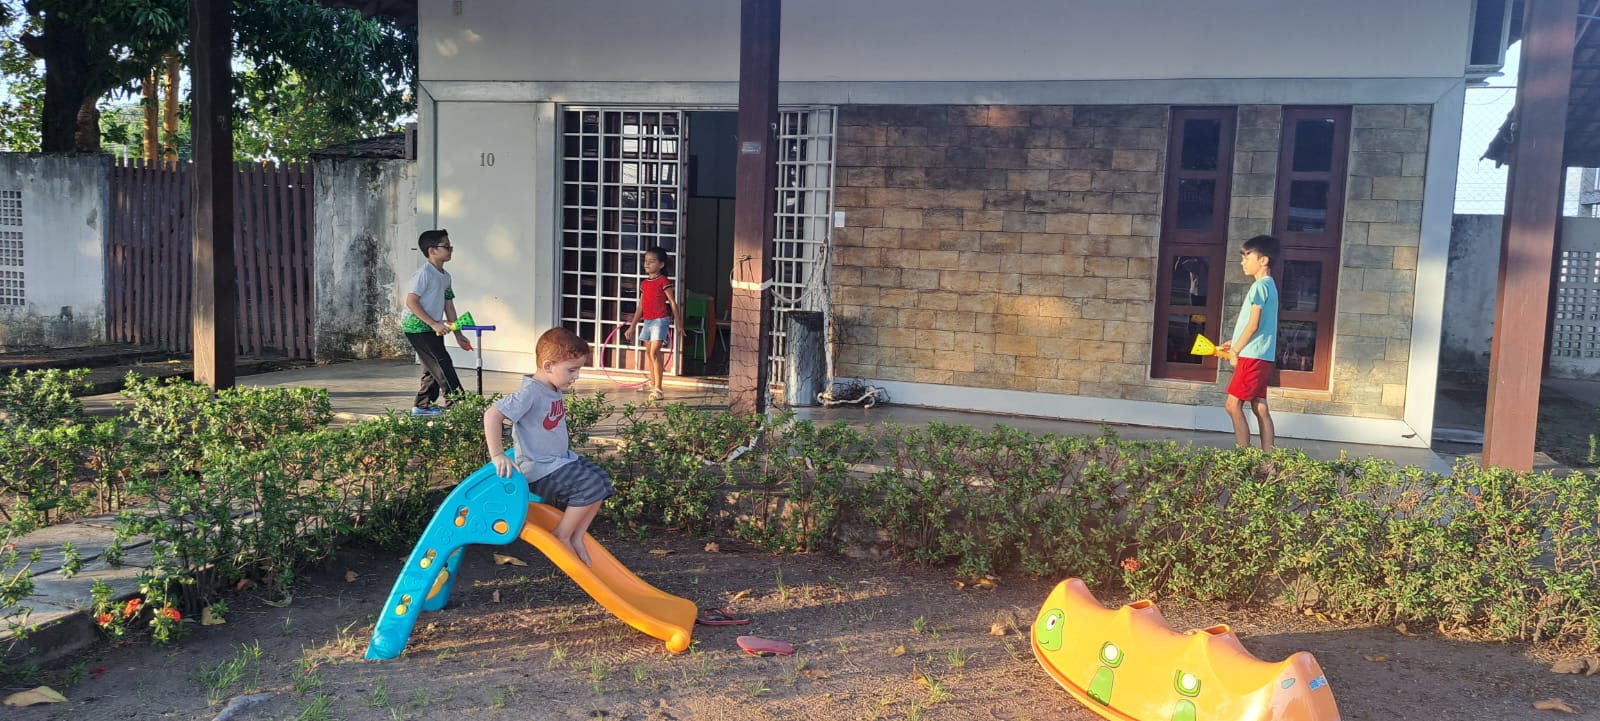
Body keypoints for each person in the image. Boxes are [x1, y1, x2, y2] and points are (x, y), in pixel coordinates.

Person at [484, 327, 613, 566]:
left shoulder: (552, 387)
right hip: (540, 469)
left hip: (558, 461)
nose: (576, 376)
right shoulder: (530, 392)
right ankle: (561, 535)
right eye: (571, 370)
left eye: (578, 369)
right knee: (589, 485)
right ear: (548, 366)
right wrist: (498, 454)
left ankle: (576, 535)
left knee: (602, 482)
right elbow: (492, 414)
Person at [1216, 234, 1280, 453]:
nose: (1243, 262)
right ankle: (1268, 461)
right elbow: (1257, 326)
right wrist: (1234, 342)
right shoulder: (1270, 286)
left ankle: (1244, 459)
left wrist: (1235, 350)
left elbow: (1253, 325)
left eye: (1247, 256)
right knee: (1259, 406)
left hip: (1252, 356)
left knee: (1232, 405)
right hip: (1261, 355)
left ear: (1264, 260)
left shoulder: (1259, 287)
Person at [401, 229, 471, 416]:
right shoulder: (424, 274)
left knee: (432, 367)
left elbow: (449, 306)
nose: (450, 250)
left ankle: (422, 405)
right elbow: (411, 301)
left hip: (433, 326)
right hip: (416, 327)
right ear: (432, 250)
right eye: (446, 247)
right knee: (442, 364)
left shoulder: (445, 276)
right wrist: (433, 323)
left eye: (450, 247)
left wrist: (458, 334)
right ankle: (459, 408)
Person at [622, 246, 683, 403]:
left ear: (661, 265)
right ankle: (652, 382)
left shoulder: (663, 281)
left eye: (651, 261)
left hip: (660, 320)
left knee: (655, 352)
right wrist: (632, 326)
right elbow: (641, 306)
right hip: (648, 321)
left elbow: (673, 302)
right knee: (649, 353)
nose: (647, 264)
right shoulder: (644, 284)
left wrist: (678, 323)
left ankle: (659, 389)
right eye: (645, 261)